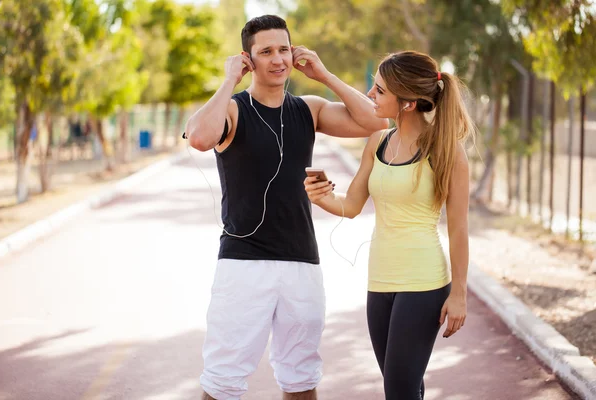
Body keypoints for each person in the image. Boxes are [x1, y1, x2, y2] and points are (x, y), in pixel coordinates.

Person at [184, 15, 388, 400]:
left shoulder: (308, 110)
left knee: (301, 379)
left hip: (301, 263)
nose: (277, 60)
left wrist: (325, 76)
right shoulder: (233, 110)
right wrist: (230, 80)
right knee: (223, 380)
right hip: (243, 265)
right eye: (265, 52)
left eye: (283, 49)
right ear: (248, 59)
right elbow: (198, 137)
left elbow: (375, 119)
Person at [304, 51, 474, 399]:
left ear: (408, 103)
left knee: (398, 389)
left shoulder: (447, 152)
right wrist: (319, 196)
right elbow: (351, 205)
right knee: (404, 386)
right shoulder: (378, 141)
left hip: (423, 283)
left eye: (379, 90)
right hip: (379, 280)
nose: (370, 95)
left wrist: (459, 294)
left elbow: (458, 229)